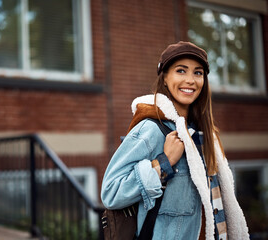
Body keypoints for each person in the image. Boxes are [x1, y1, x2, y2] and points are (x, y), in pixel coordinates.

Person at [101, 41, 249, 240]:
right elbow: (111, 192)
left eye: (198, 73)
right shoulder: (152, 129)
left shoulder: (205, 136)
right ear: (164, 78)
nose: (190, 80)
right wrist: (163, 163)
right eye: (181, 71)